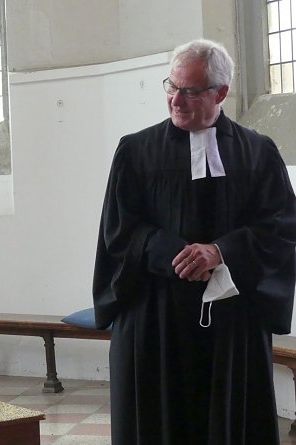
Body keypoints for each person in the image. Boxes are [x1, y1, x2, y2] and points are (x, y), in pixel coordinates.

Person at [92, 39, 296, 444]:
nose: (176, 100)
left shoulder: (258, 152)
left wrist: (221, 252)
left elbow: (282, 226)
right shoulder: (135, 152)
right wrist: (177, 254)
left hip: (232, 323)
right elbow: (118, 231)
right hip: (156, 320)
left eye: (190, 91)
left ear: (220, 93)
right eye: (171, 86)